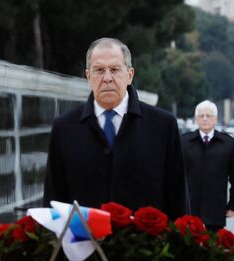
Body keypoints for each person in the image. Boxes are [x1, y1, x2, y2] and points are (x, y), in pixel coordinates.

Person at [43, 37, 187, 219]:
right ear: (88, 76)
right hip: (85, 244)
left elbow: (178, 196)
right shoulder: (64, 128)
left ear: (130, 74)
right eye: (99, 70)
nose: (107, 78)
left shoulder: (163, 126)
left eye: (115, 69)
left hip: (147, 245)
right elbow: (54, 199)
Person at [181, 100, 234, 232]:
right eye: (201, 116)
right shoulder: (184, 142)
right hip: (189, 209)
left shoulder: (228, 143)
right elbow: (175, 175)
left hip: (216, 210)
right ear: (196, 119)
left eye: (209, 115)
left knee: (212, 248)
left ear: (215, 119)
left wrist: (233, 205)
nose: (205, 119)